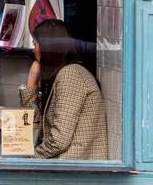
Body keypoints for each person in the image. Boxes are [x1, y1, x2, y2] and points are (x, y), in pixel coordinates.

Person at [20, 19, 107, 160]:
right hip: (68, 169)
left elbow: (59, 140)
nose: (33, 50)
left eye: (35, 44)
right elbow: (32, 120)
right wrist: (32, 76)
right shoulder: (61, 75)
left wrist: (32, 158)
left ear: (46, 47)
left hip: (75, 171)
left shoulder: (71, 75)